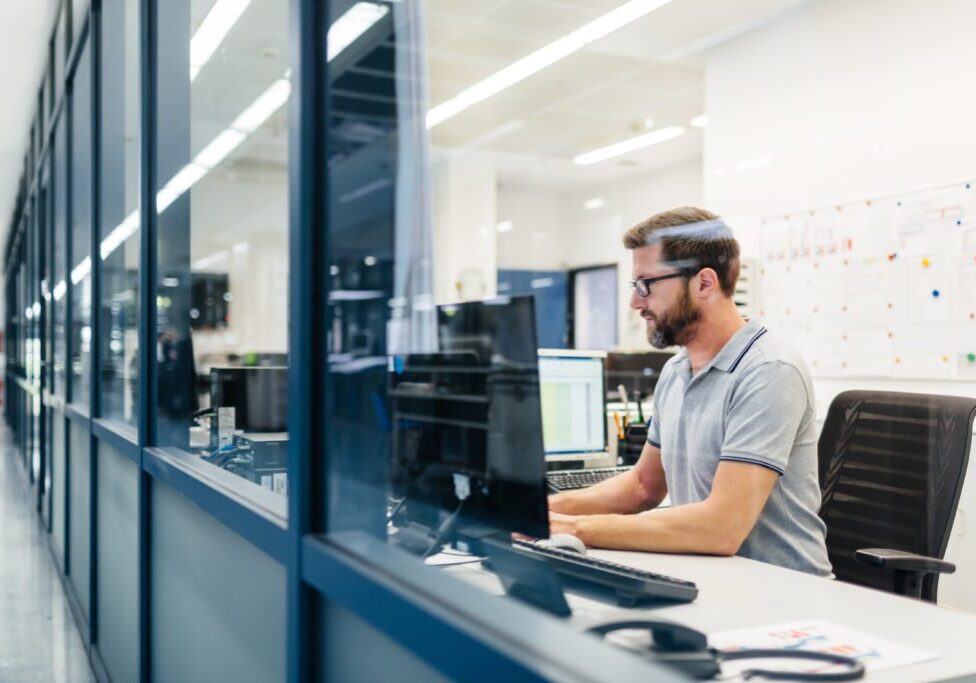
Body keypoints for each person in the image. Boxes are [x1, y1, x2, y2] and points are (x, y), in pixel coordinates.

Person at [549, 207, 831, 576]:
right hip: (713, 575)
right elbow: (642, 486)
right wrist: (537, 508)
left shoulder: (768, 371)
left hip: (782, 589)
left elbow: (720, 527)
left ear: (704, 283)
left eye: (645, 284)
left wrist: (571, 528)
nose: (636, 302)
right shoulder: (677, 370)